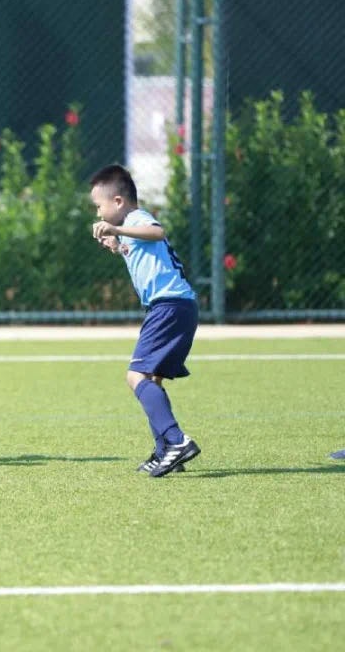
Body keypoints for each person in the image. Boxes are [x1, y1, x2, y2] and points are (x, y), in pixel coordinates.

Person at [89, 163, 201, 478]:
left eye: (99, 206)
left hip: (168, 305)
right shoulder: (130, 227)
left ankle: (178, 442)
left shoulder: (137, 219)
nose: (98, 213)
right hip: (177, 307)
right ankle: (165, 451)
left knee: (135, 376)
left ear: (118, 202)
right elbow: (142, 248)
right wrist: (118, 245)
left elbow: (157, 232)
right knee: (152, 379)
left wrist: (118, 231)